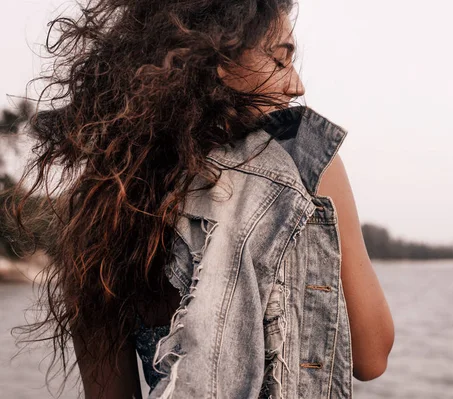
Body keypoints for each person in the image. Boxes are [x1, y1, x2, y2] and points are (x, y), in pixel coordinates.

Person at [7, 0, 395, 397]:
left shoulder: (101, 215)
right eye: (280, 60)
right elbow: (370, 356)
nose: (297, 85)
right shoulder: (303, 168)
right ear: (217, 57)